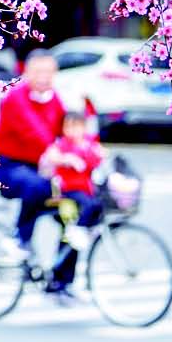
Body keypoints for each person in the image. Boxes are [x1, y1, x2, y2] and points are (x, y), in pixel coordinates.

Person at [0, 49, 91, 299]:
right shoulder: (15, 98)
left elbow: (65, 132)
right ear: (27, 73)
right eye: (39, 72)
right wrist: (59, 156)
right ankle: (18, 239)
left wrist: (84, 149)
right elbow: (36, 135)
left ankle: (61, 281)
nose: (44, 77)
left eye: (49, 72)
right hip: (8, 168)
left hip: (40, 168)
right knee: (38, 186)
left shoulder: (53, 98)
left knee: (73, 215)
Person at [47, 109, 104, 256]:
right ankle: (79, 229)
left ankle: (84, 228)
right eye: (68, 127)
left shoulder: (88, 144)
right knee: (69, 236)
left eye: (76, 126)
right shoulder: (63, 144)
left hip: (84, 190)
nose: (72, 131)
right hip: (67, 191)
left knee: (97, 205)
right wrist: (67, 159)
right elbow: (52, 156)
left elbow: (99, 156)